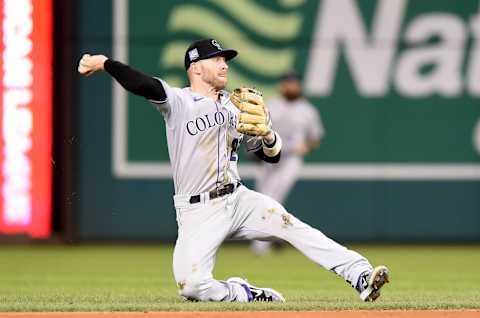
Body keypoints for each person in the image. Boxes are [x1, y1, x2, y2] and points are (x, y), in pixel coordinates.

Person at [77, 38, 389, 303]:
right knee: (192, 286)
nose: (224, 64)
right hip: (198, 211)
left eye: (225, 59)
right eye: (216, 60)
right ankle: (241, 293)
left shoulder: (236, 106)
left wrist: (267, 134)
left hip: (238, 200)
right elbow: (142, 83)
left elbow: (271, 157)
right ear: (196, 68)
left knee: (291, 225)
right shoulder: (178, 102)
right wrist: (107, 63)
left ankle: (359, 274)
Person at [251, 71, 325, 256]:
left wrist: (306, 147)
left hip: (291, 158)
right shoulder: (271, 106)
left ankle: (263, 243)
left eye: (293, 83)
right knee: (262, 197)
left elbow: (315, 137)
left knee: (273, 197)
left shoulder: (307, 110)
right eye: (287, 83)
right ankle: (270, 237)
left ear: (298, 86)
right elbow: (256, 130)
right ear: (281, 86)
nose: (290, 86)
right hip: (270, 157)